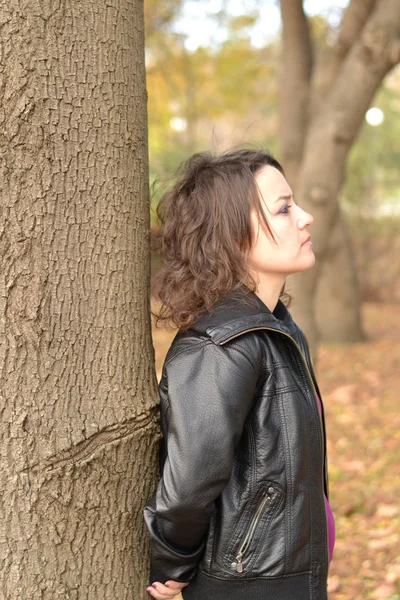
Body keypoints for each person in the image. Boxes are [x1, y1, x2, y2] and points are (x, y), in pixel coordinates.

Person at [144, 148, 335, 600]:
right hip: (249, 586)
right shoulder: (221, 345)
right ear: (232, 236)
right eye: (284, 209)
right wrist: (171, 561)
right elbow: (189, 483)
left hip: (292, 575)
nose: (305, 218)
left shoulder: (277, 329)